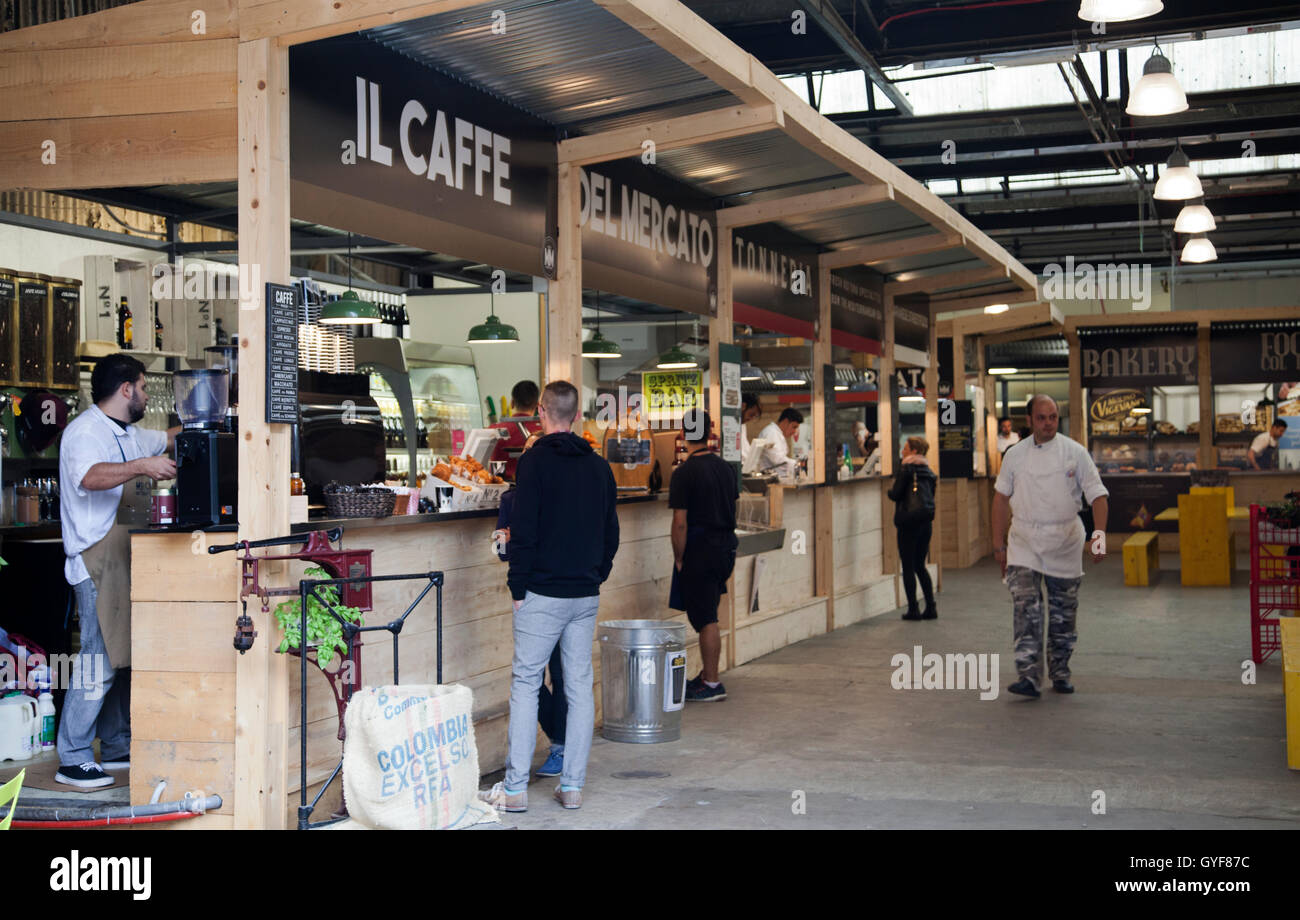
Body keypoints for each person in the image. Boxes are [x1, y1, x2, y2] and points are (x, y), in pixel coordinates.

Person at [491, 381, 619, 812]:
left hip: (541, 593)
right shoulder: (599, 467)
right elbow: (611, 534)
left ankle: (514, 790)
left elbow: (524, 530)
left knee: (526, 684)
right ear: (577, 415)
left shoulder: (534, 464)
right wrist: (595, 575)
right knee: (580, 688)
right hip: (584, 594)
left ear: (542, 412)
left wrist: (517, 586)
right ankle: (573, 787)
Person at [56, 354, 178, 788]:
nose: (146, 395)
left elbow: (165, 439)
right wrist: (143, 467)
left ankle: (116, 744)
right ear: (126, 389)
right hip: (95, 562)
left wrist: (209, 416)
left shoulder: (129, 433)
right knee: (98, 658)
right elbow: (90, 478)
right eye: (143, 387)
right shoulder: (84, 432)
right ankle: (71, 756)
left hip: (122, 558)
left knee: (120, 655)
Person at [992, 395, 1109, 699]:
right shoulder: (1014, 455)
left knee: (1063, 614)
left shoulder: (1075, 453)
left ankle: (1060, 671)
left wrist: (1099, 538)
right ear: (1029, 420)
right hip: (1024, 542)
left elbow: (1097, 496)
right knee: (1025, 608)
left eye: (1053, 417)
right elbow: (1000, 500)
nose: (1048, 423)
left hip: (1065, 541)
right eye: (1042, 418)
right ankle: (1029, 677)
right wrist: (998, 547)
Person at [490, 433, 566, 778]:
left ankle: (563, 748)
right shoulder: (511, 499)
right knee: (533, 677)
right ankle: (560, 739)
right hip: (530, 594)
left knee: (563, 675)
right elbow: (500, 549)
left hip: (562, 591)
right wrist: (506, 541)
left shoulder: (566, 495)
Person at [668, 409, 739, 702]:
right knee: (708, 610)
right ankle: (708, 677)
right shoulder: (725, 468)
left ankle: (711, 683)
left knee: (706, 617)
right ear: (709, 433)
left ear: (683, 435)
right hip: (725, 548)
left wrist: (679, 556)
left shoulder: (684, 473)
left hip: (699, 550)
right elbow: (733, 510)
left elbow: (680, 523)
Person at [887, 436, 938, 621]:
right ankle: (931, 607)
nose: (902, 451)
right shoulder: (930, 472)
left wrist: (888, 492)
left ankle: (913, 609)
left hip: (908, 522)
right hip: (925, 523)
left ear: (914, 451)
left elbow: (896, 494)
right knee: (920, 565)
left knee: (908, 566)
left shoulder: (907, 470)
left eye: (906, 448)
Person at [490, 379, 544, 481]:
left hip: (500, 487)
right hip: (534, 487)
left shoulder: (494, 429)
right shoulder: (544, 431)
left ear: (512, 403)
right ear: (537, 406)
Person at [754, 407, 803, 475]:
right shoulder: (771, 433)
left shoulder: (777, 433)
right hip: (767, 477)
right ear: (785, 422)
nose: (794, 432)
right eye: (794, 427)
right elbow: (777, 459)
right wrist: (798, 464)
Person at [739, 392, 761, 461]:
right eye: (751, 414)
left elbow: (746, 449)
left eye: (754, 416)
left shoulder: (743, 425)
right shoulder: (732, 423)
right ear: (743, 406)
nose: (750, 419)